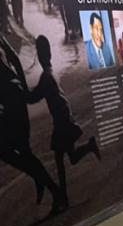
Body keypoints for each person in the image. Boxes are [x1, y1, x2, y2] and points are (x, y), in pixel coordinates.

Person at [28, 36, 101, 208]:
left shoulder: (46, 76)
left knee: (60, 159)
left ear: (39, 55)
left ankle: (63, 199)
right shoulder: (49, 72)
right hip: (63, 117)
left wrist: (19, 91)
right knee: (71, 157)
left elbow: (33, 97)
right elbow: (37, 94)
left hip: (62, 120)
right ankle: (90, 146)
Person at [0, 36, 66, 213]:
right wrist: (21, 85)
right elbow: (13, 57)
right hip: (12, 98)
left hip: (11, 100)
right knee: (21, 151)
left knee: (8, 151)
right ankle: (46, 183)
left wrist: (21, 89)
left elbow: (11, 59)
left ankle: (47, 184)